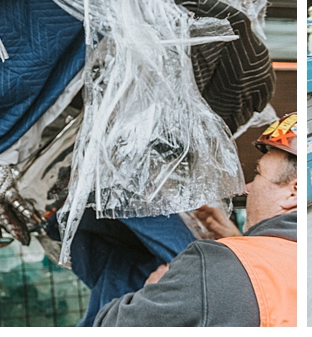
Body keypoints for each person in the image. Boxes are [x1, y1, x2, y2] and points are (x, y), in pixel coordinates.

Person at [94, 114, 299, 326]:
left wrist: (152, 290)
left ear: (295, 191)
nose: (247, 187)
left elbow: (108, 325)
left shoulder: (213, 266)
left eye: (258, 174)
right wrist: (240, 245)